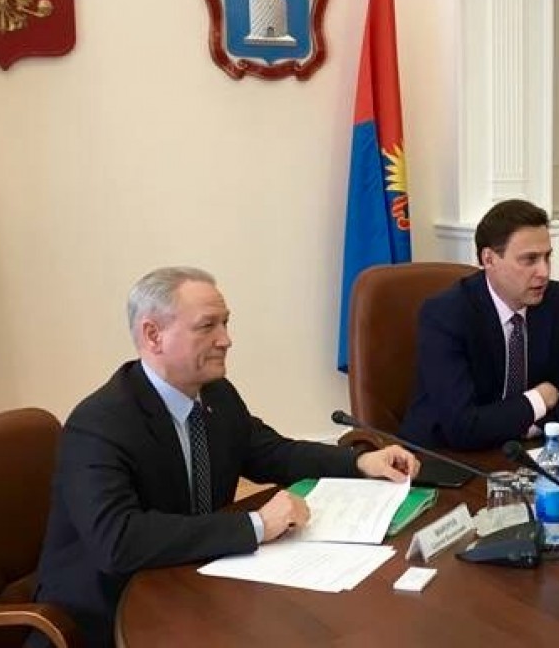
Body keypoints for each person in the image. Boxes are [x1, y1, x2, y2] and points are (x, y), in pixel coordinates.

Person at [29, 267, 418, 648]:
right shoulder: (99, 423)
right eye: (207, 326)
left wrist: (359, 462)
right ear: (153, 335)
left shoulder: (216, 394)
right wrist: (255, 525)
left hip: (192, 585)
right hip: (107, 616)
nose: (226, 340)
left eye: (226, 323)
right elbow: (118, 540)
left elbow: (273, 453)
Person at [399, 199, 559, 451]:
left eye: (547, 257)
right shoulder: (446, 314)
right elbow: (463, 427)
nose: (544, 272)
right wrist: (538, 400)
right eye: (529, 259)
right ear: (489, 259)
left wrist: (527, 426)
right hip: (446, 457)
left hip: (526, 452)